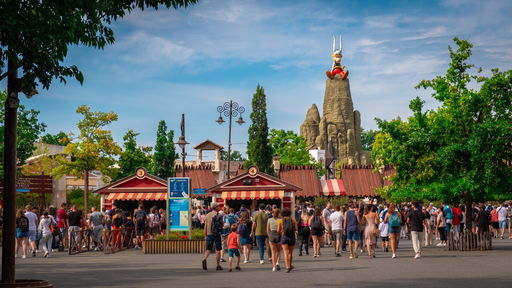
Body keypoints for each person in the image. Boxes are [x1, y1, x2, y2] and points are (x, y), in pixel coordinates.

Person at [202, 203, 223, 271]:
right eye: (218, 207)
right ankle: (218, 265)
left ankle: (204, 259)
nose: (219, 208)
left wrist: (205, 235)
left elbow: (205, 226)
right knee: (218, 249)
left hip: (209, 234)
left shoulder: (207, 215)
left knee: (208, 249)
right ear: (216, 207)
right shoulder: (219, 215)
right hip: (216, 234)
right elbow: (221, 225)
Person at [277, 207, 297, 273]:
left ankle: (287, 267)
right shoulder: (293, 220)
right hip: (291, 236)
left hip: (284, 236)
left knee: (285, 252)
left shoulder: (280, 221)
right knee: (290, 253)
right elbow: (296, 229)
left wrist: (282, 232)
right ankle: (290, 265)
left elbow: (278, 230)